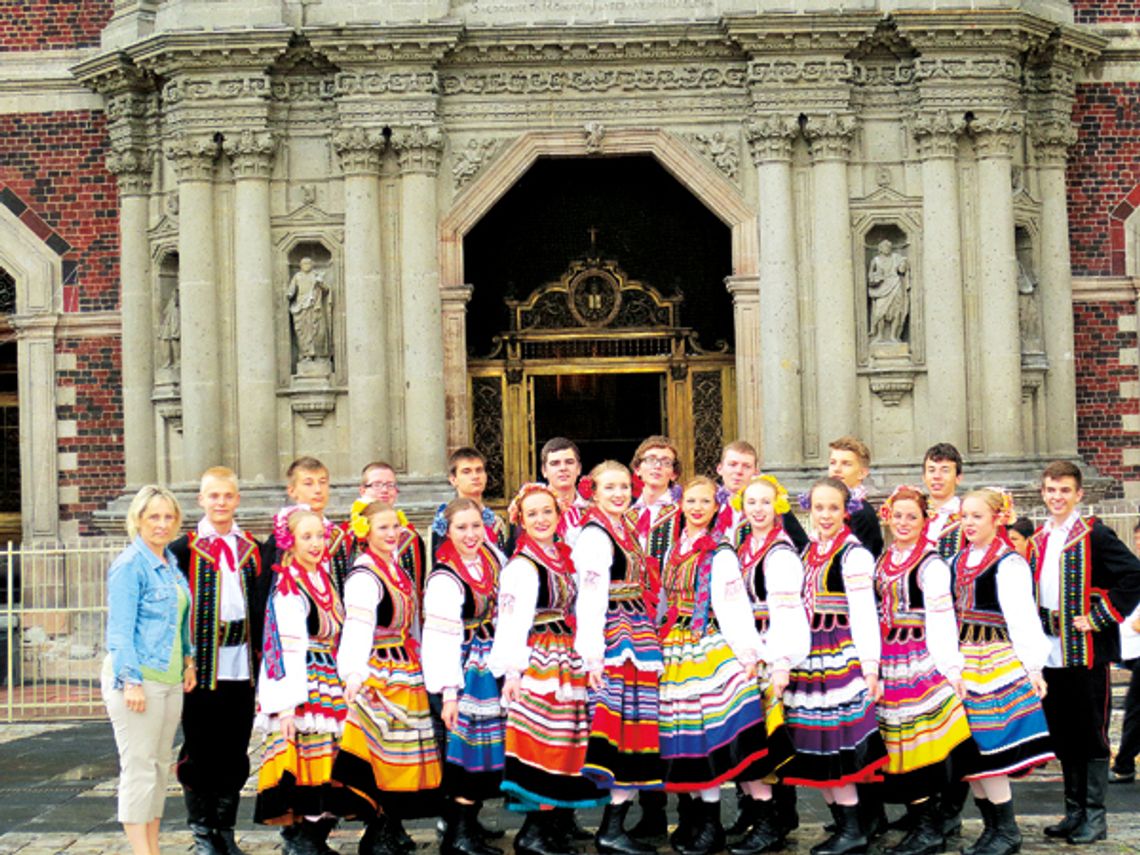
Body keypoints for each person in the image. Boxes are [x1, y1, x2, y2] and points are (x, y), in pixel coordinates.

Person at [656, 476, 778, 855]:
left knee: (716, 734)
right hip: (674, 646)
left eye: (704, 502)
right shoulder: (674, 549)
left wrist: (747, 654)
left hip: (706, 644)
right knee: (685, 736)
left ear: (716, 507)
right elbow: (663, 601)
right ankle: (698, 821)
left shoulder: (720, 552)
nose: (696, 508)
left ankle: (751, 823)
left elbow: (733, 607)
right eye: (690, 501)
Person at [488, 483, 606, 855]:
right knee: (540, 742)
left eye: (547, 512)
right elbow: (510, 621)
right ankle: (533, 831)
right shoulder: (522, 565)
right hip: (538, 657)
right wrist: (511, 671)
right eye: (532, 513)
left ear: (558, 516)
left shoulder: (561, 555)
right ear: (520, 519)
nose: (540, 519)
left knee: (563, 742)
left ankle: (552, 825)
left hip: (564, 656)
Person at [1029, 461, 1140, 845]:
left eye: (1064, 490)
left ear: (1079, 494)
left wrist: (1100, 616)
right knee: (1064, 733)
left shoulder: (1094, 534)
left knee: (1091, 732)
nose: (1056, 497)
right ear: (1043, 493)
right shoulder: (1039, 539)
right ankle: (1074, 812)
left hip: (1086, 651)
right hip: (1050, 651)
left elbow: (1134, 575)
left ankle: (1096, 816)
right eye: (1050, 490)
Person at [782, 477, 887, 855]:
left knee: (837, 743)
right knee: (814, 744)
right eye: (819, 507)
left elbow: (863, 614)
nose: (825, 515)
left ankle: (854, 827)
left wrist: (869, 667)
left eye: (833, 508)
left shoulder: (853, 553)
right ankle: (844, 824)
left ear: (847, 511)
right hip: (809, 655)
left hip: (838, 653)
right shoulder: (809, 551)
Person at [333, 501, 441, 855]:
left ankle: (392, 825)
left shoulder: (396, 570)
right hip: (379, 671)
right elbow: (357, 625)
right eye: (383, 528)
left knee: (401, 752)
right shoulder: (365, 575)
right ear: (365, 532)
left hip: (404, 668)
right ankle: (376, 830)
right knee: (379, 750)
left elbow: (410, 625)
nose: (392, 534)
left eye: (395, 527)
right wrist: (352, 673)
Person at [952, 489, 1054, 855]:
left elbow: (1023, 618)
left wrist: (1033, 667)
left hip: (992, 660)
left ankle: (1007, 830)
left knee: (990, 747)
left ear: (998, 519)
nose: (968, 523)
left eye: (977, 516)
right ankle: (993, 828)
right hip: (962, 657)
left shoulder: (1008, 563)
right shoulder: (957, 560)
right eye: (965, 516)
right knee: (969, 751)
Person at [873, 486, 974, 855]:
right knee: (896, 743)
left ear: (924, 521)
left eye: (911, 517)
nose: (902, 522)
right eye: (897, 516)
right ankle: (921, 820)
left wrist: (950, 667)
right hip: (888, 656)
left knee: (918, 741)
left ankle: (932, 825)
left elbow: (942, 617)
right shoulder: (885, 559)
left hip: (917, 656)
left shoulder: (930, 564)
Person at [170, 467, 265, 855]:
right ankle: (202, 830)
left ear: (237, 499)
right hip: (202, 668)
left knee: (235, 748)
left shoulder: (253, 551)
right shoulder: (183, 550)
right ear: (201, 500)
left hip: (242, 665)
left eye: (227, 496)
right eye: (214, 496)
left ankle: (225, 828)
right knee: (200, 747)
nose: (221, 503)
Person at [572, 460, 665, 855]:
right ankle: (610, 828)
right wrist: (592, 656)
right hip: (615, 637)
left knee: (636, 728)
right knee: (624, 728)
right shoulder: (595, 535)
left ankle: (615, 825)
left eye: (625, 487)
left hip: (635, 630)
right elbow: (590, 599)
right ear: (593, 490)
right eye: (610, 487)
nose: (619, 494)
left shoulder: (623, 527)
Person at [102, 485, 196, 855]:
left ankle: (152, 847)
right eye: (153, 517)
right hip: (139, 679)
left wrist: (188, 661)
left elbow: (179, 620)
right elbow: (120, 631)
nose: (161, 524)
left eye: (168, 517)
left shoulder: (170, 564)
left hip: (170, 679)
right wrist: (131, 681)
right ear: (138, 520)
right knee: (139, 768)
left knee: (158, 768)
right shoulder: (129, 565)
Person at [255, 506, 349, 855]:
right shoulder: (288, 586)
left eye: (320, 535)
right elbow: (284, 649)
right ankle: (304, 843)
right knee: (311, 761)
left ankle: (314, 840)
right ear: (289, 542)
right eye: (306, 536)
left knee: (330, 761)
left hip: (327, 678)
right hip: (305, 683)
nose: (315, 543)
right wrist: (287, 707)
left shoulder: (321, 577)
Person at [729, 475, 809, 855]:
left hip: (769, 645)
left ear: (776, 506)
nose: (757, 509)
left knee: (769, 735)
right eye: (751, 502)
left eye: (764, 502)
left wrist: (780, 661)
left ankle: (772, 823)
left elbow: (786, 609)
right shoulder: (745, 547)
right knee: (754, 734)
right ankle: (764, 818)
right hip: (750, 646)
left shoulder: (779, 551)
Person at [422, 498, 507, 855]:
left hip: (490, 665)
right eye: (462, 528)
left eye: (476, 526)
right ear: (448, 531)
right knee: (463, 750)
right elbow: (440, 638)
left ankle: (470, 825)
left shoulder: (493, 560)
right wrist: (448, 692)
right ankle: (457, 834)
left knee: (485, 750)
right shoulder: (445, 577)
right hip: (463, 669)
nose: (471, 535)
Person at [625, 436, 682, 843]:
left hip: (672, 623)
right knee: (642, 718)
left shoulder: (684, 515)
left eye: (666, 462)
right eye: (651, 460)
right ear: (638, 469)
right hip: (630, 628)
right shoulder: (623, 516)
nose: (658, 467)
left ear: (674, 473)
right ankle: (652, 811)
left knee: (678, 716)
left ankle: (694, 810)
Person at [262, 457, 353, 594]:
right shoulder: (280, 541)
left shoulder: (340, 537)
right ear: (292, 491)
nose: (318, 490)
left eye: (322, 482)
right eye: (308, 483)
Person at [715, 440, 809, 551]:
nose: (739, 471)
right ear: (720, 469)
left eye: (746, 466)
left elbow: (803, 547)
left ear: (756, 472)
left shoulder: (774, 506)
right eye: (733, 464)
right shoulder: (707, 503)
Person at [353, 461, 428, 599]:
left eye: (390, 485)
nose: (384, 490)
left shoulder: (411, 538)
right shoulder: (346, 537)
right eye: (377, 485)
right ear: (363, 491)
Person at [430, 448, 511, 557]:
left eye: (479, 470)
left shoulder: (496, 522)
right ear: (453, 479)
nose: (475, 476)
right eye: (466, 472)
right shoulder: (445, 522)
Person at [827, 437, 883, 560]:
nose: (837, 469)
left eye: (846, 464)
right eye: (833, 462)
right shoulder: (827, 506)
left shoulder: (861, 512)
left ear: (862, 473)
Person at [540, 437, 590, 545]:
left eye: (569, 462)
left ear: (579, 469)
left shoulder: (593, 509)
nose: (563, 468)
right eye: (555, 463)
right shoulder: (530, 511)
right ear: (544, 471)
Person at [921, 443, 965, 560]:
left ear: (958, 478)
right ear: (924, 477)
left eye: (945, 470)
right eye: (931, 470)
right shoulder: (916, 513)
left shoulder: (966, 514)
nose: (937, 476)